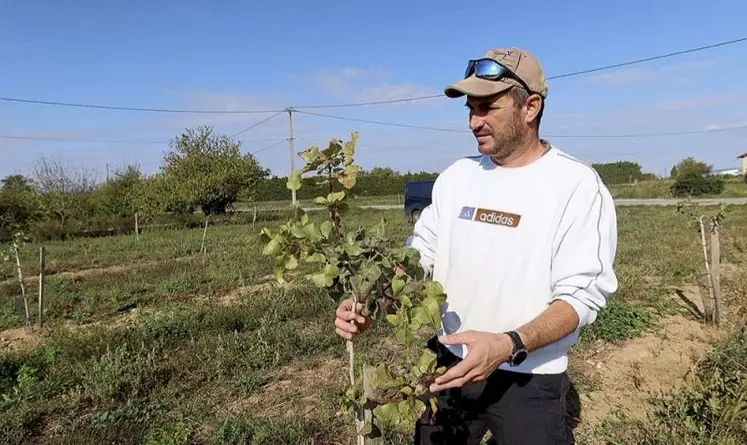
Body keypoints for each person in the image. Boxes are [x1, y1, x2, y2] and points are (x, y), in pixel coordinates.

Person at [334, 47, 618, 444]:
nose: (473, 121)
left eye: (487, 107)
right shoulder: (456, 177)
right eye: (470, 108)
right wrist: (373, 301)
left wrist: (508, 344)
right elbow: (418, 259)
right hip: (449, 366)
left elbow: (581, 298)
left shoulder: (576, 185)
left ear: (531, 107)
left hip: (529, 379)